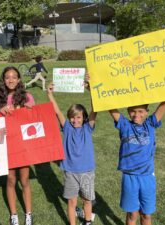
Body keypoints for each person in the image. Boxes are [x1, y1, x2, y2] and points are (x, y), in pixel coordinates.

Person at [108, 63, 165, 225]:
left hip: (147, 177)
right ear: (128, 110)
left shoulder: (150, 124)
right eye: (133, 111)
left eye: (140, 111)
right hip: (130, 177)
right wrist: (92, 88)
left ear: (146, 111)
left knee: (146, 215)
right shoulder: (124, 125)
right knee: (132, 216)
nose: (136, 114)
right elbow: (108, 104)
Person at [46, 77, 97, 225]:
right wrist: (50, 95)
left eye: (79, 117)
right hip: (70, 172)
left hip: (87, 171)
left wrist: (91, 90)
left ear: (84, 118)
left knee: (87, 200)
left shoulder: (88, 128)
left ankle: (87, 222)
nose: (75, 120)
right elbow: (57, 112)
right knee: (71, 202)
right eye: (72, 118)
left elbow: (95, 109)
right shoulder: (67, 127)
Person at [0, 66, 35, 225]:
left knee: (24, 180)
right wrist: (0, 111)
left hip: (23, 145)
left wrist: (30, 110)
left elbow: (33, 123)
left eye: (14, 77)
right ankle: (14, 215)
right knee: (10, 180)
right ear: (3, 80)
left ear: (18, 79)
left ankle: (28, 213)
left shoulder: (27, 97)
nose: (11, 80)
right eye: (7, 77)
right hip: (7, 145)